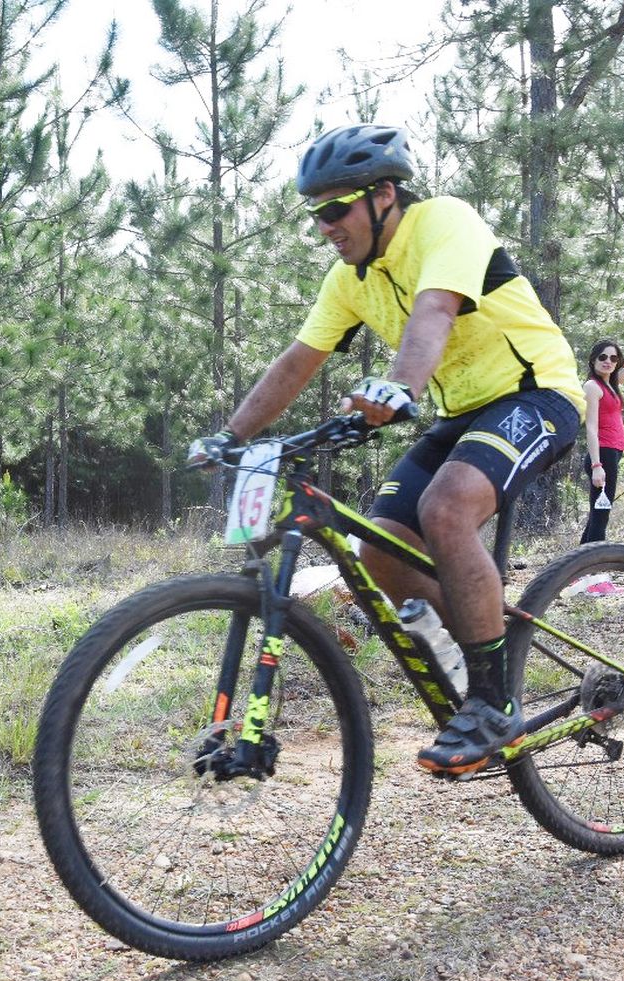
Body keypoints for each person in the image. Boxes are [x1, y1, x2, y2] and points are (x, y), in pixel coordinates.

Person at [188, 124, 584, 776]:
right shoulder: (349, 280)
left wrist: (398, 388)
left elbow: (434, 311)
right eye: (317, 214)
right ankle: (474, 645)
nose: (325, 226)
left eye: (336, 209)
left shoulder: (442, 223)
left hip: (535, 393)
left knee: (447, 509)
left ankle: (491, 704)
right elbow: (298, 360)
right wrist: (232, 436)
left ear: (385, 197)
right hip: (460, 411)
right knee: (375, 552)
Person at [579, 340, 624, 557]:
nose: (608, 361)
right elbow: (590, 427)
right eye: (602, 357)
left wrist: (616, 360)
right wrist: (597, 465)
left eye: (613, 358)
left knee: (597, 514)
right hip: (602, 455)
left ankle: (577, 567)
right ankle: (594, 574)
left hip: (612, 454)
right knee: (601, 514)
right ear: (593, 359)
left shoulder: (611, 383)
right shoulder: (592, 386)